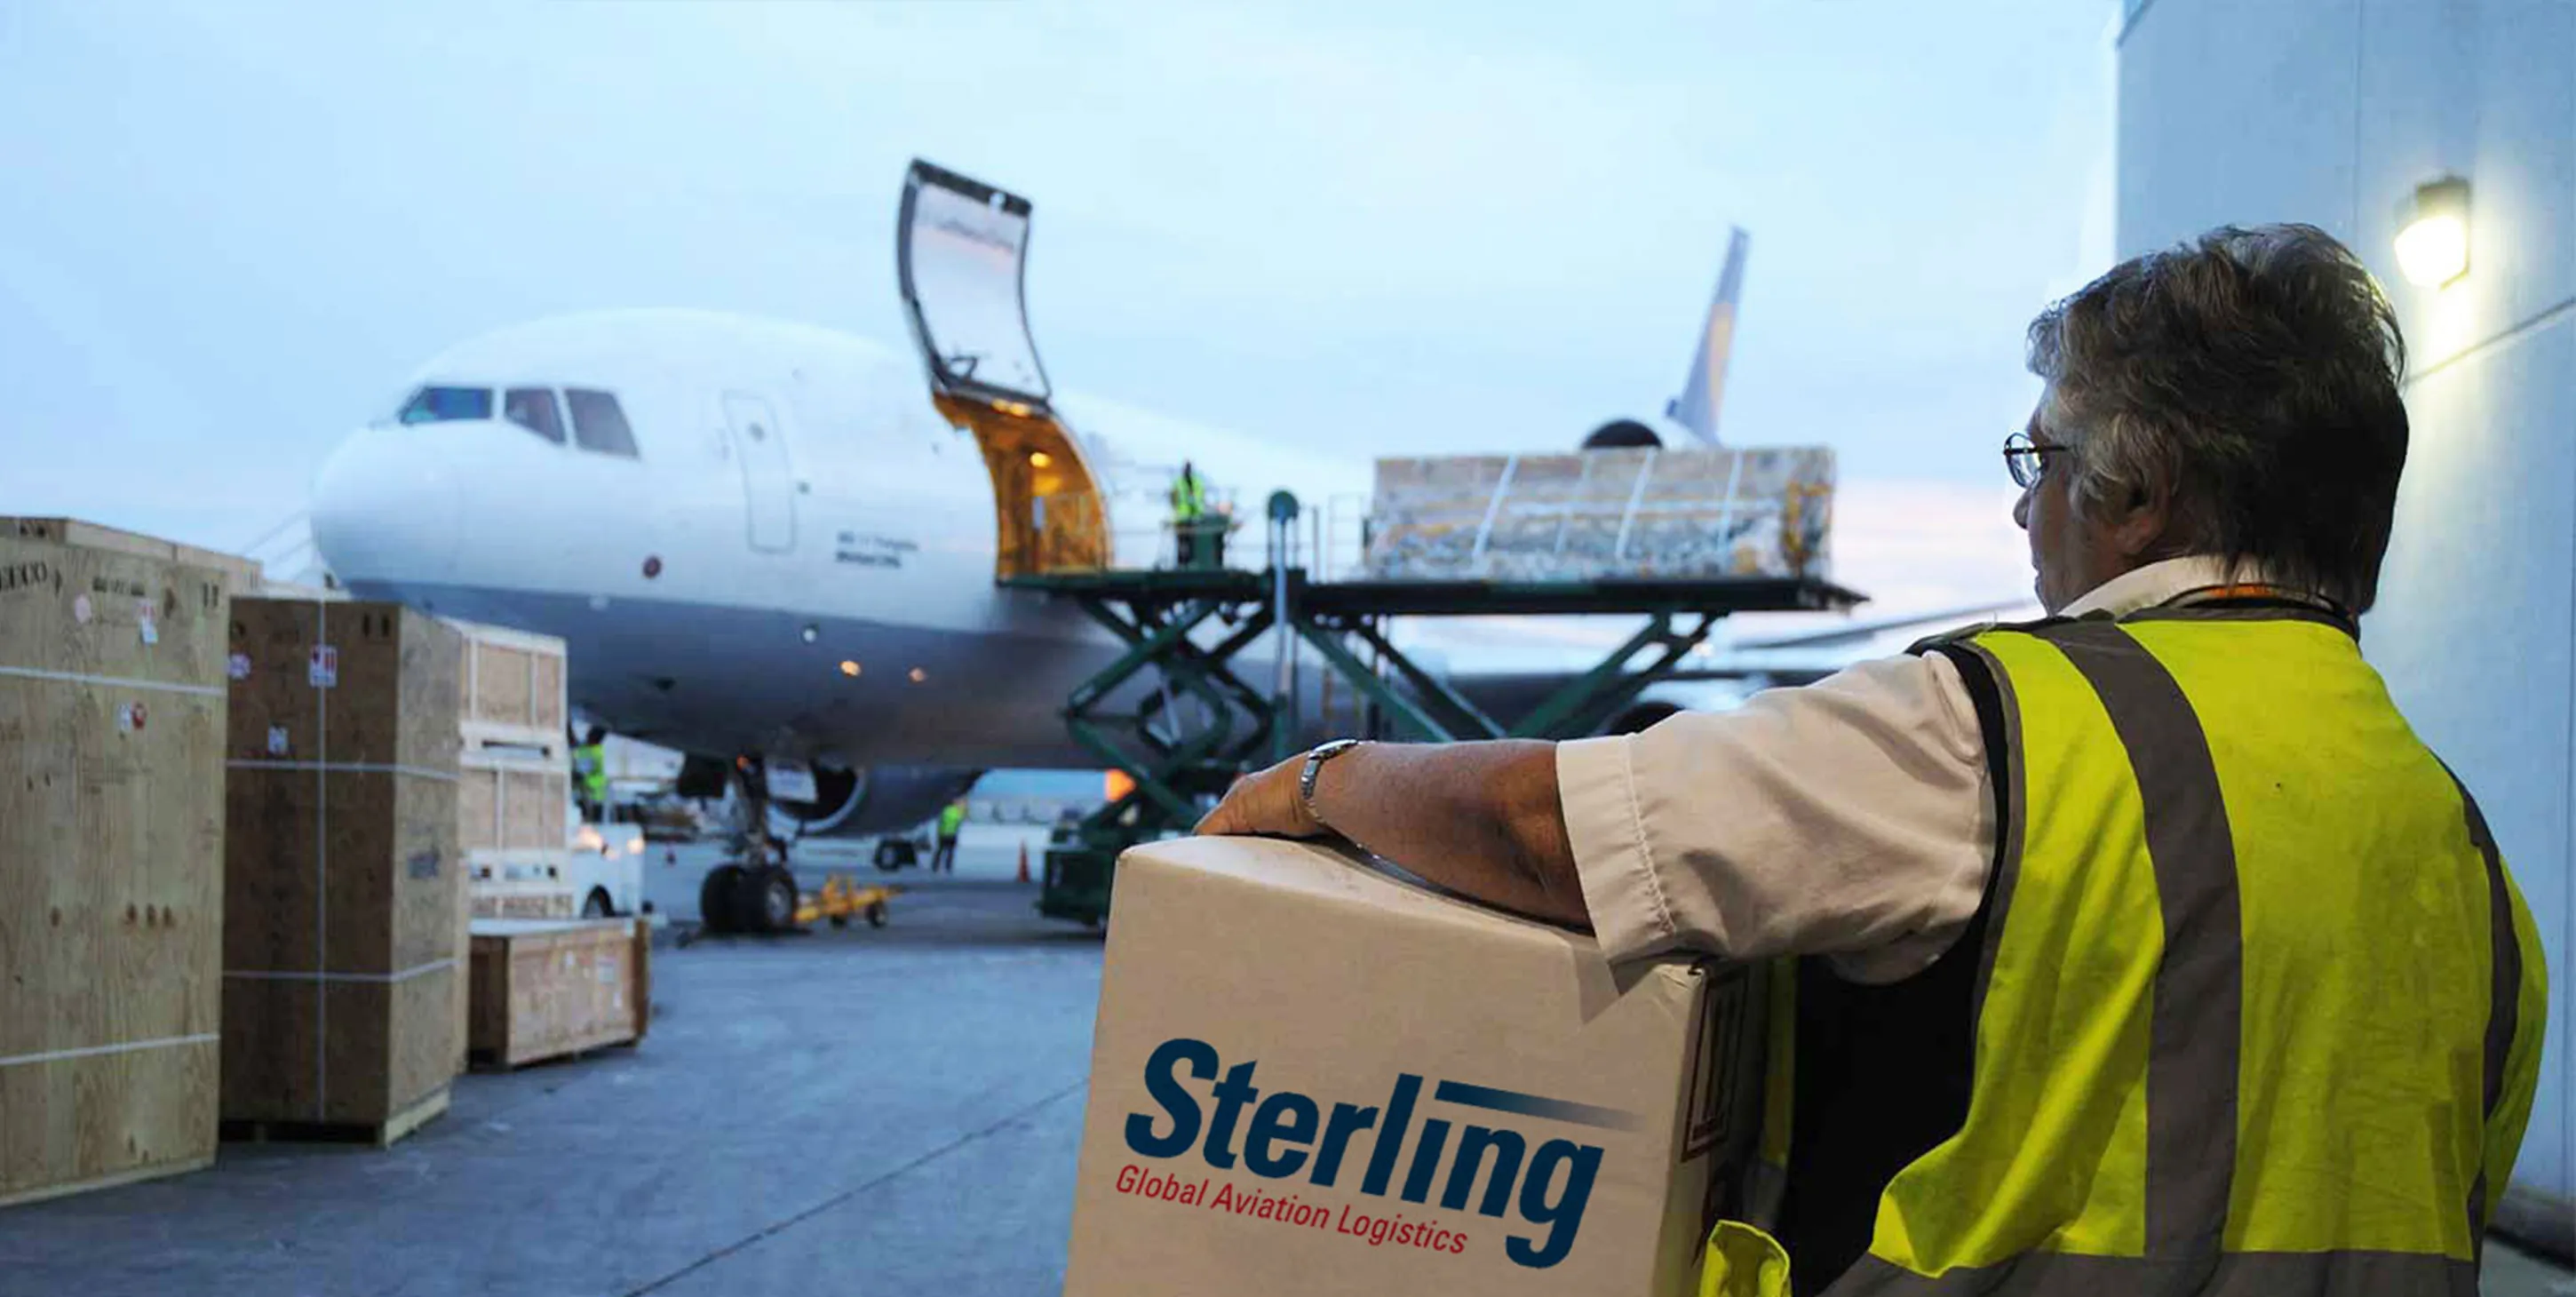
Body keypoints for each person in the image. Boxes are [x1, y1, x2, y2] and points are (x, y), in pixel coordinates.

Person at [1197, 225, 2549, 1296]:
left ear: (2139, 496)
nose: (2024, 504)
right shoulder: (2465, 856)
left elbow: (1556, 832)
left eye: (2045, 455)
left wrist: (1322, 777)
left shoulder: (1998, 729)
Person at [1169, 461, 1207, 569]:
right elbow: (1173, 498)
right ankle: (1181, 564)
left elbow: (1201, 498)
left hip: (1193, 518)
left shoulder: (1197, 482)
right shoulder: (1178, 483)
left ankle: (1190, 563)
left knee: (1192, 543)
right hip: (1181, 519)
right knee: (1182, 543)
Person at [571, 727, 608, 824]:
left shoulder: (596, 753)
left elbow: (599, 778)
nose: (587, 734)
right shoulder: (586, 748)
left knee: (591, 826)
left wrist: (584, 779)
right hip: (584, 795)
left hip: (593, 798)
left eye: (590, 733)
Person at [932, 797, 966, 874]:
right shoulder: (956, 811)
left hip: (943, 833)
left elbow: (940, 822)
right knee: (950, 852)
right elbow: (959, 821)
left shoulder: (944, 811)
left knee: (940, 850)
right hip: (952, 834)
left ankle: (935, 866)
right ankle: (948, 867)